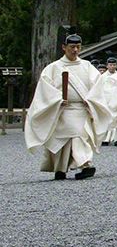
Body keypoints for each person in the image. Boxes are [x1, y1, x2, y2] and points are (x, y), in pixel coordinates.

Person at [24, 30, 109, 180]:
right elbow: (45, 90)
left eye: (78, 47)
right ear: (64, 47)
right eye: (72, 47)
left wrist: (89, 99)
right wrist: (56, 100)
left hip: (80, 109)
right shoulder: (53, 68)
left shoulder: (87, 66)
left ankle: (86, 165)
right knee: (61, 139)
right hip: (62, 109)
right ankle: (60, 168)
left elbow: (98, 85)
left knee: (79, 135)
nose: (75, 50)